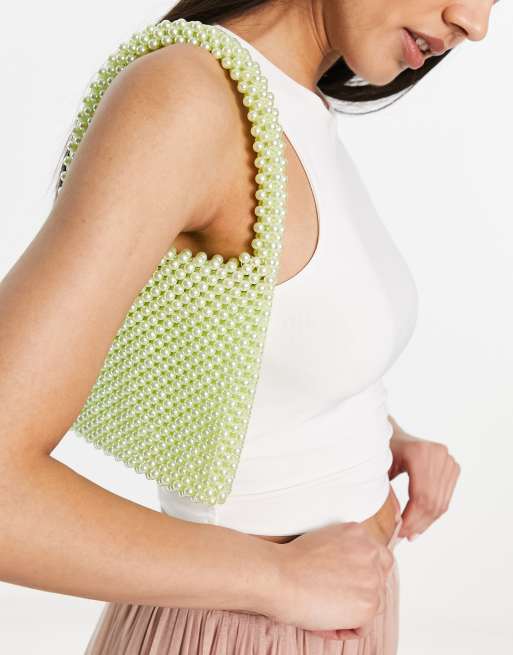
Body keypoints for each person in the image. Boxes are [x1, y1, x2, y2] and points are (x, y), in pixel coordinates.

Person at [2, 0, 499, 652]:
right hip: (241, 628)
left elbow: (266, 342)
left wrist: (382, 435)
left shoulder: (292, 103)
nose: (475, 24)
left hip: (341, 611)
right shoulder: (189, 99)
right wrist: (276, 577)